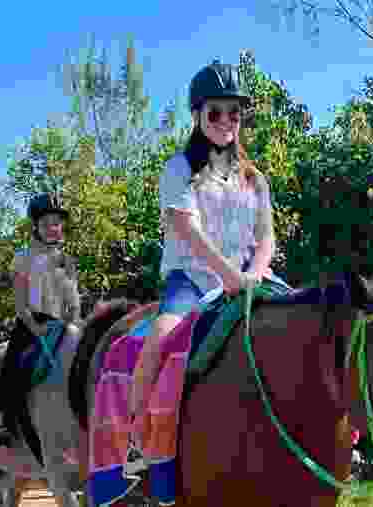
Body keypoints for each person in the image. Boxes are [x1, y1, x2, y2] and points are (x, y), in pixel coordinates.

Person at [125, 59, 288, 473]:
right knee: (159, 341)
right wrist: (230, 276)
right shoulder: (179, 169)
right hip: (192, 281)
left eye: (234, 112)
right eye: (215, 111)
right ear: (197, 114)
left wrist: (255, 272)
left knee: (316, 322)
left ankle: (341, 431)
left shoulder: (255, 178)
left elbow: (266, 236)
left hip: (250, 276)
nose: (226, 120)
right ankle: (137, 440)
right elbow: (187, 231)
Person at [0, 192, 82, 447]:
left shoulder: (68, 260)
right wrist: (35, 327)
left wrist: (75, 321)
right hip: (33, 323)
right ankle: (6, 422)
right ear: (36, 227)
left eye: (57, 223)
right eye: (46, 224)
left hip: (64, 322)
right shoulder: (23, 258)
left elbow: (73, 298)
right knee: (14, 364)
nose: (53, 228)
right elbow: (20, 302)